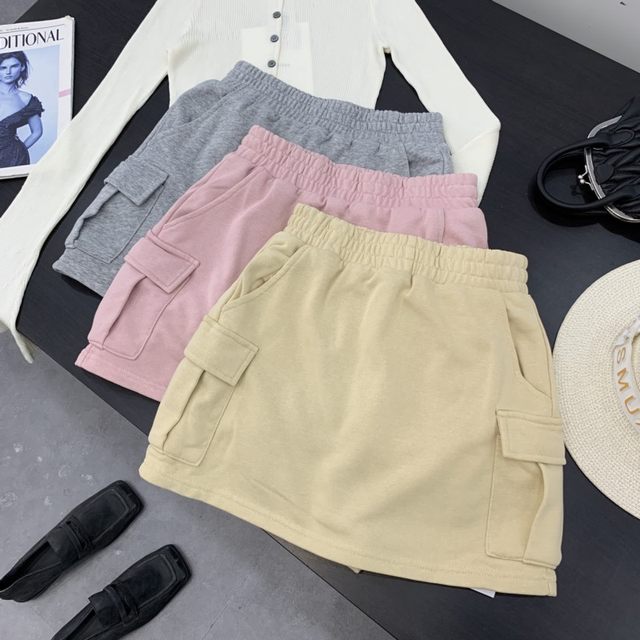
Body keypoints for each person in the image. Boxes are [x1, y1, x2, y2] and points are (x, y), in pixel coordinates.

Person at [0, 51, 43, 168]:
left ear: (22, 67)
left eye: (13, 66)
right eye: (3, 68)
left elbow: (37, 131)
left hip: (14, 158)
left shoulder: (26, 99)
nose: (8, 72)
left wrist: (20, 150)